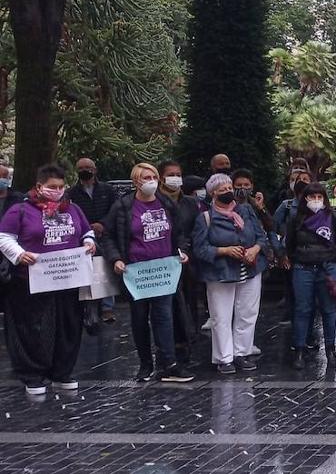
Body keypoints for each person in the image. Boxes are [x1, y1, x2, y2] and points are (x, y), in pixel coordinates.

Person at [0, 164, 96, 395]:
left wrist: (89, 242)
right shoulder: (20, 210)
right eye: (52, 187)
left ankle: (62, 372)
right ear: (39, 186)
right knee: (33, 329)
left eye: (61, 186)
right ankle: (33, 375)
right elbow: (4, 237)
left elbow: (86, 231)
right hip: (31, 281)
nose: (58, 191)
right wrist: (19, 254)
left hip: (67, 280)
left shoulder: (72, 209)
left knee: (68, 326)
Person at [100, 163, 195, 382]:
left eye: (154, 177)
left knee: (164, 316)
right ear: (136, 181)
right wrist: (116, 259)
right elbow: (108, 235)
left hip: (164, 271)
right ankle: (145, 364)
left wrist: (182, 250)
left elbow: (180, 233)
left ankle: (168, 363)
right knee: (140, 318)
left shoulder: (166, 203)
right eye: (146, 178)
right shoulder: (123, 206)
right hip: (136, 273)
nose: (151, 181)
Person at [192, 173, 271, 374]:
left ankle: (242, 353)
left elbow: (261, 237)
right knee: (221, 316)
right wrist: (224, 251)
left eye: (229, 187)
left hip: (250, 269)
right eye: (222, 189)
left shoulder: (245, 210)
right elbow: (200, 249)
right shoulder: (205, 218)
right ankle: (224, 358)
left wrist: (255, 249)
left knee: (248, 313)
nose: (228, 191)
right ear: (213, 193)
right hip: (221, 272)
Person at [284, 182, 336, 370]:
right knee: (302, 309)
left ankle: (330, 350)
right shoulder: (296, 218)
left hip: (327, 267)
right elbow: (290, 245)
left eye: (319, 196)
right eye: (312, 197)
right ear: (305, 198)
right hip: (303, 267)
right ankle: (299, 349)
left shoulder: (334, 217)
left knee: (328, 309)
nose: (316, 200)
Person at [157, 159, 205, 361]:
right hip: (162, 260)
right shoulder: (155, 202)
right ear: (161, 178)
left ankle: (189, 338)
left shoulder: (190, 203)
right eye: (171, 175)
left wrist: (187, 250)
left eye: (178, 174)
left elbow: (197, 229)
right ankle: (169, 343)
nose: (175, 178)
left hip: (187, 260)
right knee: (167, 304)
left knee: (189, 299)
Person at [67, 157, 118, 323]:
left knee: (105, 269)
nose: (84, 170)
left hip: (105, 235)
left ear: (95, 170)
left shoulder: (107, 190)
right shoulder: (71, 193)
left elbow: (115, 210)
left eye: (87, 167)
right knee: (86, 271)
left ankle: (107, 308)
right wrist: (86, 228)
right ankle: (89, 309)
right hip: (83, 238)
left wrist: (103, 224)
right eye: (81, 168)